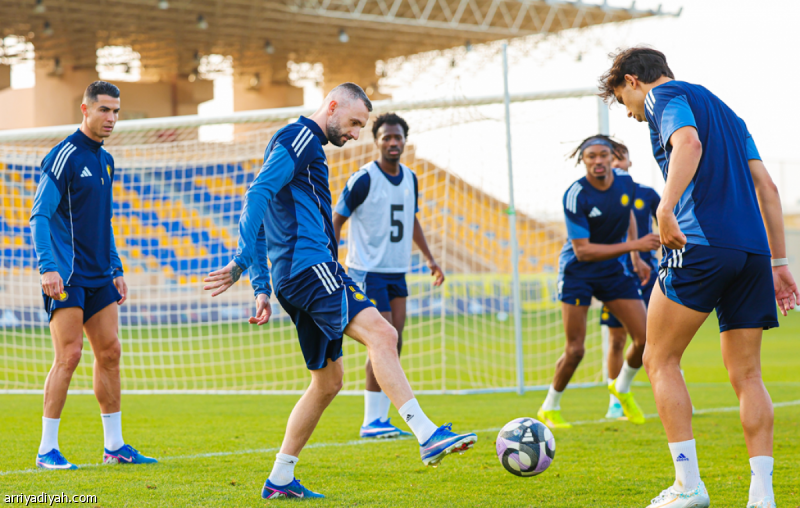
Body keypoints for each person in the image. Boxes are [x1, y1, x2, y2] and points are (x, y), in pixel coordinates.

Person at [204, 83, 476, 500]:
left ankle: (279, 478)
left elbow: (265, 210)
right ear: (331, 106)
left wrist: (261, 285)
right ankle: (426, 434)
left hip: (291, 276)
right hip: (312, 268)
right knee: (384, 334)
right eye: (352, 123)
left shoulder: (299, 146)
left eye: (359, 127)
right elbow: (256, 193)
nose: (353, 133)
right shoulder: (299, 138)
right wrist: (242, 262)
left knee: (328, 381)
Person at [600, 46, 798, 508]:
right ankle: (762, 496)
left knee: (659, 359)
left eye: (622, 102)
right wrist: (779, 263)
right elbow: (767, 188)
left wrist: (665, 207)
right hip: (752, 253)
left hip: (700, 244)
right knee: (748, 374)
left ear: (632, 81)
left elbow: (688, 143)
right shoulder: (728, 113)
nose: (629, 115)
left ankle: (688, 486)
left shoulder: (662, 98)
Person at [29, 81, 157, 470]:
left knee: (111, 353)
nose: (112, 119)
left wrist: (116, 267)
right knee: (68, 356)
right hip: (67, 274)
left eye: (116, 111)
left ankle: (114, 446)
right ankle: (47, 449)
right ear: (85, 110)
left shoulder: (106, 160)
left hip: (101, 274)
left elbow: (105, 221)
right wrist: (47, 266)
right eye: (104, 110)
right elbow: (39, 215)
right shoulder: (63, 155)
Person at [332, 112, 445, 439]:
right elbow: (336, 218)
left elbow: (411, 220)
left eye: (398, 138)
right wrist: (332, 257)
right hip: (368, 271)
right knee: (383, 340)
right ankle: (372, 421)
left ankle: (378, 420)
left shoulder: (410, 177)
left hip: (398, 271)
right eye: (387, 137)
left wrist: (430, 259)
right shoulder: (364, 178)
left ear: (404, 141)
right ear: (376, 141)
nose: (393, 143)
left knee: (396, 340)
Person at [537, 134, 660, 430]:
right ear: (583, 161)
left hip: (613, 270)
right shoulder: (575, 195)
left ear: (611, 156)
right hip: (578, 271)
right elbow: (583, 249)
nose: (598, 161)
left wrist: (635, 256)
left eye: (603, 155)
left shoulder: (625, 184)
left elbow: (628, 213)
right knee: (576, 349)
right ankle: (549, 406)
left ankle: (621, 387)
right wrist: (635, 246)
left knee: (646, 340)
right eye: (590, 156)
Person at [599, 144, 661, 419]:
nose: (614, 164)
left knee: (660, 337)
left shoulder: (647, 195)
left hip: (648, 273)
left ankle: (671, 394)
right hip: (615, 273)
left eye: (618, 158)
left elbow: (669, 225)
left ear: (628, 162)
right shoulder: (599, 197)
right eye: (609, 159)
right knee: (616, 339)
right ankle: (615, 401)